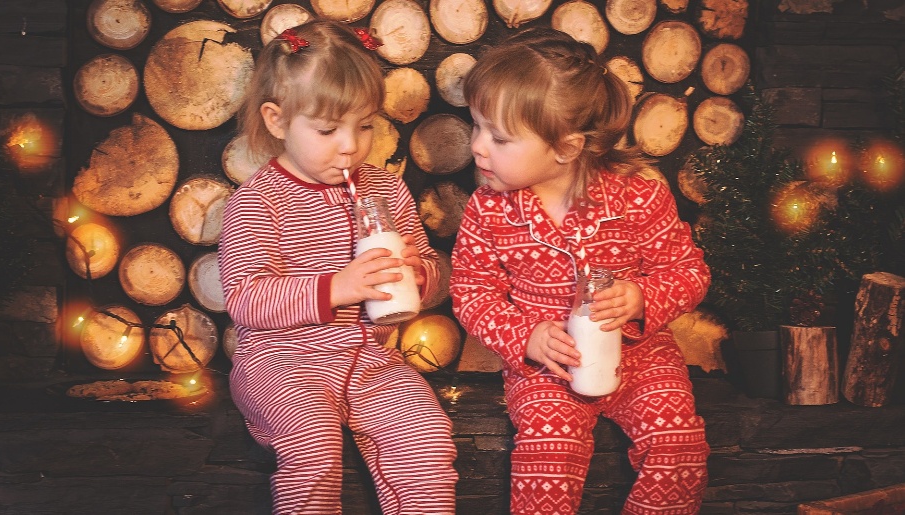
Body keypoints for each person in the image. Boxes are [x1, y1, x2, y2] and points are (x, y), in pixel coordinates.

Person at [450, 28, 711, 514]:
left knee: (678, 441)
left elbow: (688, 272)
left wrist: (640, 298)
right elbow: (472, 292)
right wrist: (526, 337)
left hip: (641, 359)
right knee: (547, 455)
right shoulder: (488, 210)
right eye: (477, 126)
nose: (479, 147)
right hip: (547, 368)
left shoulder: (639, 195)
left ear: (566, 147)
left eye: (500, 137)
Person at [219, 20, 457, 515]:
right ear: (277, 120)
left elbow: (434, 271)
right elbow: (245, 298)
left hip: (372, 362)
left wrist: (421, 276)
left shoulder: (385, 190)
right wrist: (337, 287)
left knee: (428, 436)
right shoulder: (258, 201)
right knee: (313, 442)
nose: (350, 145)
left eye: (365, 125)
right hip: (280, 364)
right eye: (328, 130)